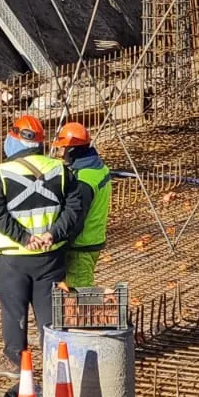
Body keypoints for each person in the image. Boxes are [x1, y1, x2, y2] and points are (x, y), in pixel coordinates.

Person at [0, 113, 86, 378]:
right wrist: (53, 234)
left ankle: (15, 360)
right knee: (49, 315)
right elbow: (74, 208)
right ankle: (56, 362)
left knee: (13, 312)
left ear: (15, 138)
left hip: (11, 258)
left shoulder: (3, 173)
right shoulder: (60, 170)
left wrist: (24, 238)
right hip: (49, 257)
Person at [53, 121, 113, 290]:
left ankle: (114, 310)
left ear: (71, 150)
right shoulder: (97, 167)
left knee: (80, 294)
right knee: (77, 291)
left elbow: (76, 217)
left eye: (62, 148)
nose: (60, 153)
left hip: (80, 246)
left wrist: (60, 242)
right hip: (91, 239)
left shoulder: (83, 180)